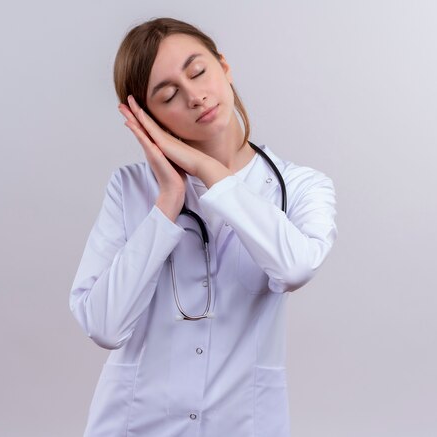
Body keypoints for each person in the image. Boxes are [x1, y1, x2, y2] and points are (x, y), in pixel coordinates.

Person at [69, 17, 337, 437]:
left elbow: (294, 269)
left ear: (224, 67)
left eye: (198, 72)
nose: (195, 97)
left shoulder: (302, 186)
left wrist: (208, 170)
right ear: (147, 117)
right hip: (134, 424)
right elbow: (103, 326)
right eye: (169, 95)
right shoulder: (131, 189)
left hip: (244, 424)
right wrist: (166, 205)